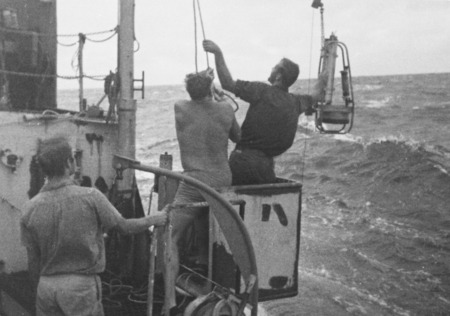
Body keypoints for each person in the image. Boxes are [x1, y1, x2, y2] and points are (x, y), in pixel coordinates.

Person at [20, 136, 168, 316]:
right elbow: (124, 227)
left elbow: (33, 262)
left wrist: (41, 292)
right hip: (79, 289)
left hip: (45, 288)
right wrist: (156, 219)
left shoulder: (29, 209)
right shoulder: (91, 196)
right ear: (68, 163)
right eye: (73, 158)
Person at [163, 69, 240, 316]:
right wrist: (218, 96)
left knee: (169, 236)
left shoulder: (180, 108)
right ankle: (222, 290)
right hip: (221, 182)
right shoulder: (226, 108)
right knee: (219, 237)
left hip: (194, 182)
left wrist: (207, 91)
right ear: (210, 89)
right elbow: (239, 137)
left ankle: (169, 302)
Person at [203, 39, 328, 185]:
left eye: (275, 67)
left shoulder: (261, 91)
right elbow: (316, 96)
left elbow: (227, 83)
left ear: (279, 76)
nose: (272, 68)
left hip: (242, 162)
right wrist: (324, 78)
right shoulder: (296, 102)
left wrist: (218, 53)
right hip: (265, 168)